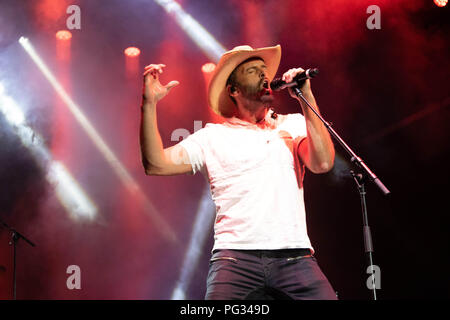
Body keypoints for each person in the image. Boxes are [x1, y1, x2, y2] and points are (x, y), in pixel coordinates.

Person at [140, 45, 337, 300]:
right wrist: (148, 105)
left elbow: (322, 163)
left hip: (295, 257)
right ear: (233, 90)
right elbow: (155, 164)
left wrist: (305, 97)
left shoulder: (292, 125)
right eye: (253, 71)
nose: (264, 76)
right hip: (234, 259)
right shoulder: (212, 136)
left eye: (265, 71)